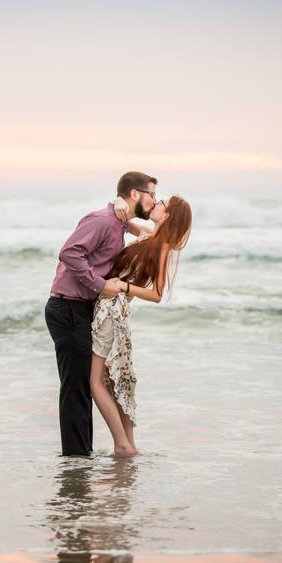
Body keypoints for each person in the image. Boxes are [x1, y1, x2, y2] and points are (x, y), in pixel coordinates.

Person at [45, 171, 159, 457]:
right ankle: (75, 460)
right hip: (67, 307)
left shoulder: (118, 222)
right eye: (152, 195)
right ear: (136, 194)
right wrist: (100, 285)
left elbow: (136, 231)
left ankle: (81, 456)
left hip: (81, 308)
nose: (154, 200)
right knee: (76, 388)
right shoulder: (102, 220)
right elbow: (69, 253)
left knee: (83, 385)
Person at [90, 194, 193, 457]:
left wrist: (123, 286)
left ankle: (122, 445)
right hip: (111, 309)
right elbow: (123, 221)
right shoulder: (150, 236)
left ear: (168, 215)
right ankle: (129, 444)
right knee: (114, 378)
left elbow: (157, 294)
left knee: (95, 381)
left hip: (113, 310)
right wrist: (118, 202)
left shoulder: (162, 248)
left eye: (162, 204)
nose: (156, 204)